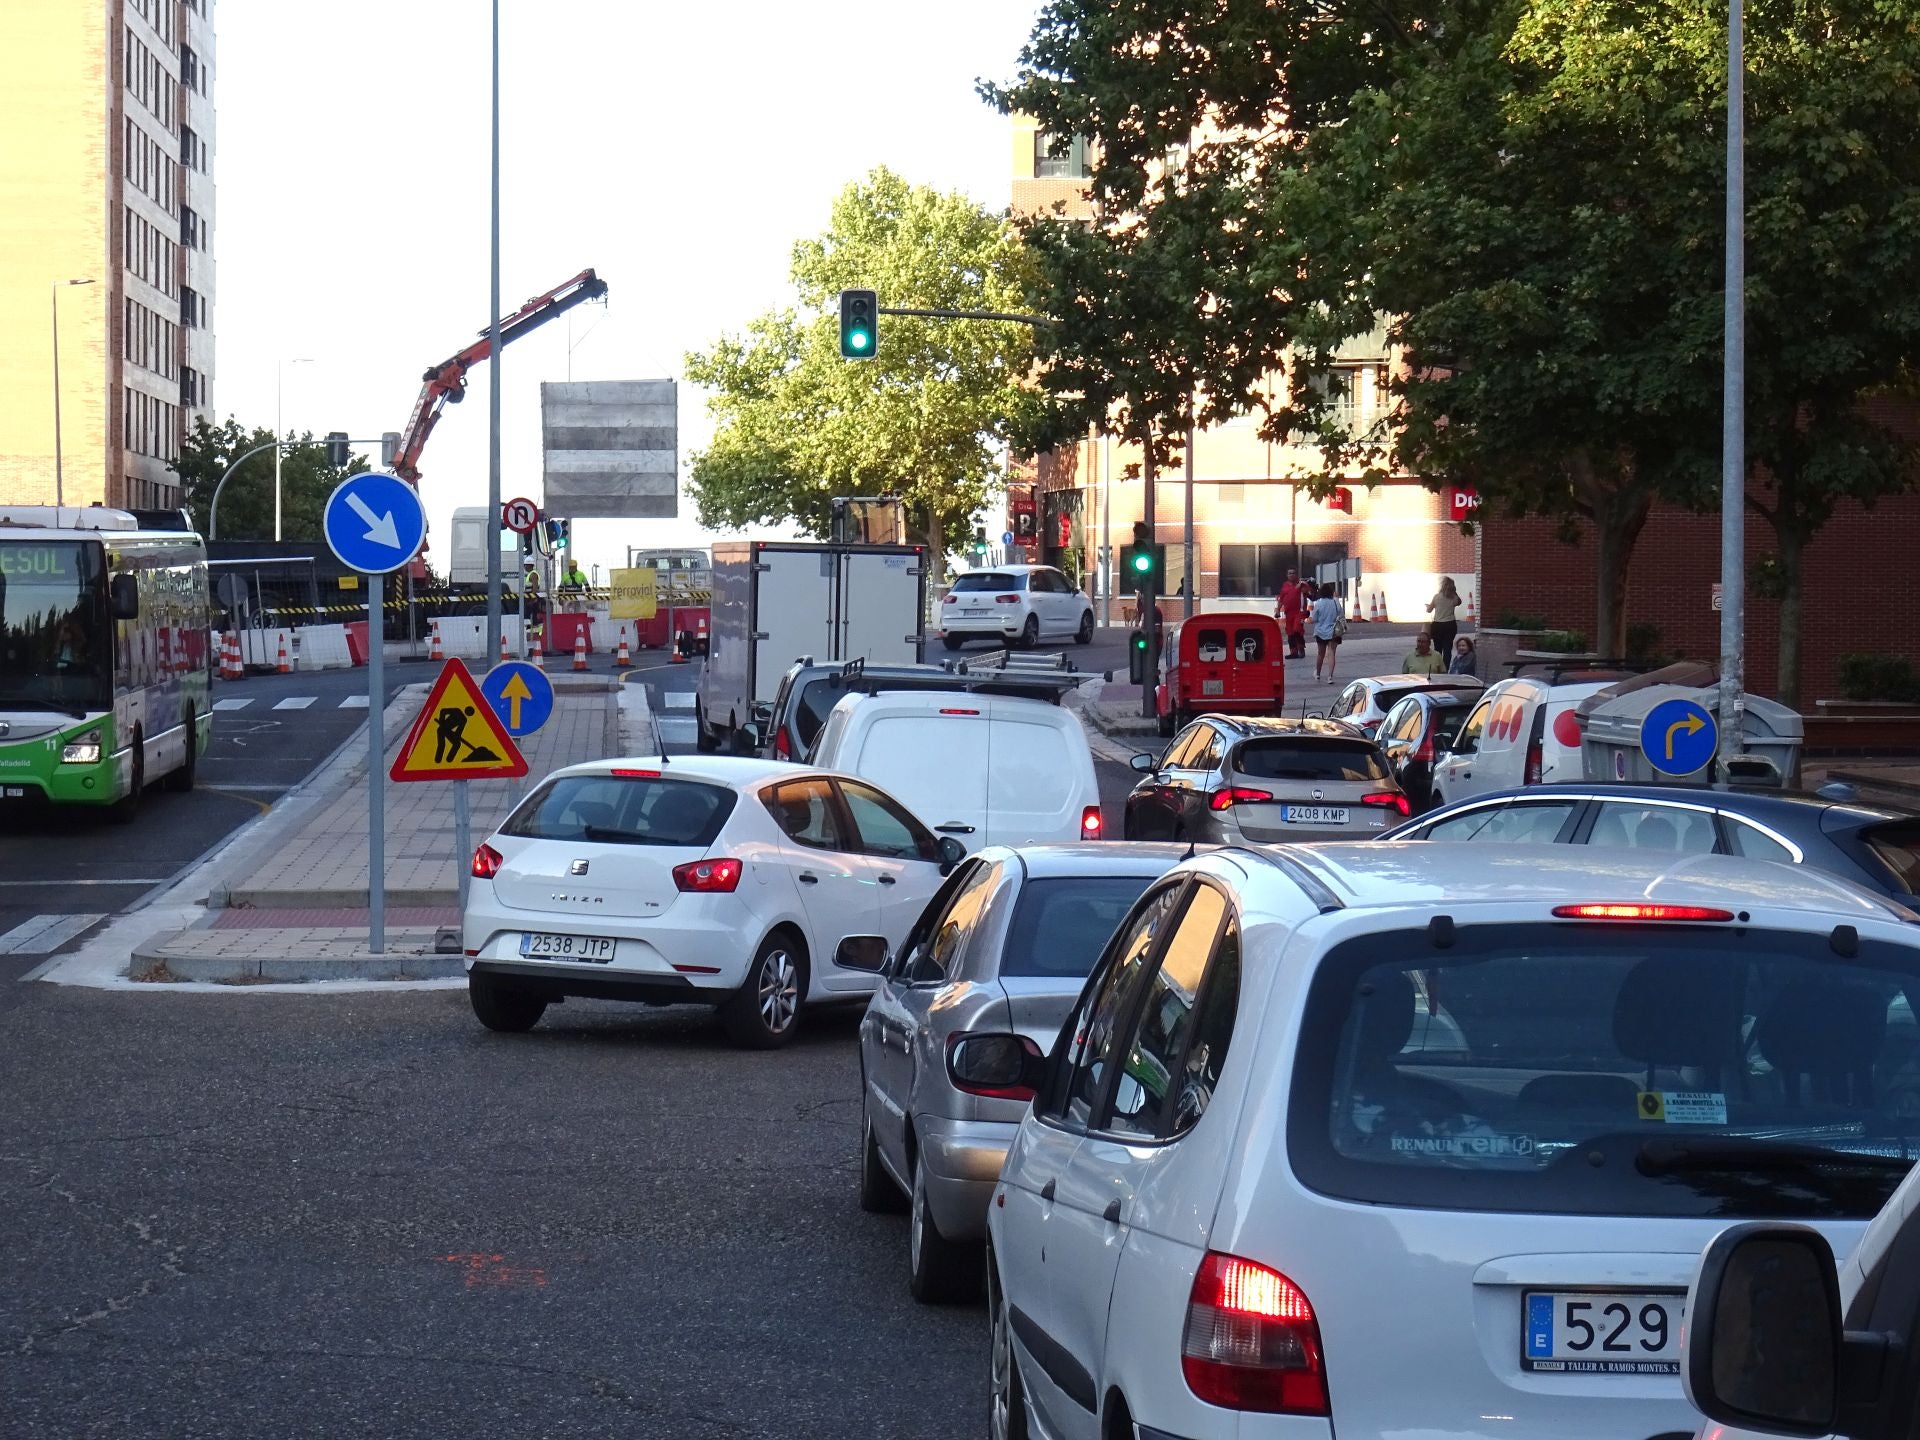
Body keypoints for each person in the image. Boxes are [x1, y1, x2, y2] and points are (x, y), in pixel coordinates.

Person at [1309, 584, 1345, 683]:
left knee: (1321, 653)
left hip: (1320, 631)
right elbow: (1341, 615)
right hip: (1334, 631)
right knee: (1331, 653)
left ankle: (1318, 674)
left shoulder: (1319, 604)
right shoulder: (1335, 602)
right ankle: (1330, 676)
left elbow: (1314, 619)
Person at [1426, 577, 1462, 654]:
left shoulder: (1436, 597)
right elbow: (1459, 602)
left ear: (1442, 585)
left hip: (1437, 625)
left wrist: (1428, 606)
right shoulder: (1454, 598)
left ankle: (1438, 665)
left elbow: (1429, 610)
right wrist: (1454, 592)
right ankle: (1446, 666)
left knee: (1437, 648)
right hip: (1450, 625)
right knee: (1448, 649)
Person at [1277, 568, 1307, 658]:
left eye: (1293, 573)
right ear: (1287, 575)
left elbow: (1309, 592)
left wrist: (1303, 586)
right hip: (1289, 613)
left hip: (1299, 612)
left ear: (1296, 574)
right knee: (1290, 632)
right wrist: (1278, 610)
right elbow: (1281, 599)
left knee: (1297, 629)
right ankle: (1293, 652)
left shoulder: (1301, 584)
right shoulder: (1285, 585)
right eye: (1289, 573)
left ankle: (1301, 649)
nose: (1291, 575)